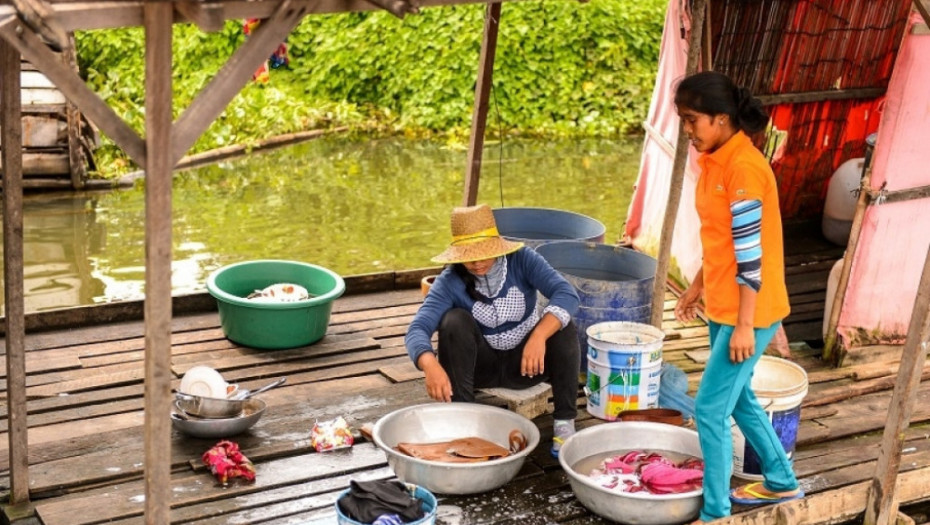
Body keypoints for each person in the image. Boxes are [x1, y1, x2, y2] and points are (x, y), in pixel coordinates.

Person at [671, 71, 804, 522]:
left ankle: (715, 513)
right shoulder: (715, 161)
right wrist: (695, 287)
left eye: (693, 121)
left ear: (722, 119)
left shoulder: (744, 168)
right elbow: (720, 241)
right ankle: (782, 481)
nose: (688, 130)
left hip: (750, 310)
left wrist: (746, 325)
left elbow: (751, 258)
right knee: (740, 397)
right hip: (724, 305)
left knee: (709, 410)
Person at [405, 204, 581, 457]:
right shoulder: (449, 281)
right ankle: (464, 419)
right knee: (453, 320)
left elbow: (566, 294)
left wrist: (539, 335)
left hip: (528, 366)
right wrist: (429, 364)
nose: (476, 264)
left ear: (497, 247)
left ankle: (564, 424)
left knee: (563, 326)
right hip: (480, 370)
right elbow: (417, 329)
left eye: (483, 254)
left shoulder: (523, 260)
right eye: (468, 257)